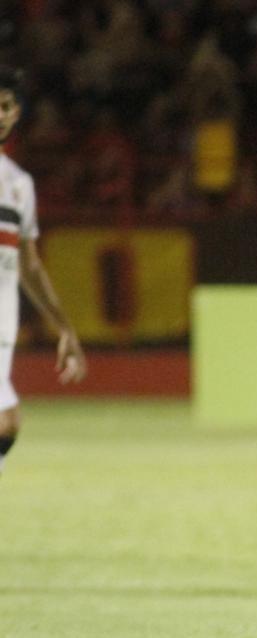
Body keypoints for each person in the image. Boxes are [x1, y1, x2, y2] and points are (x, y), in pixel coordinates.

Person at [0, 67, 87, 476]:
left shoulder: (18, 184)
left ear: (17, 113)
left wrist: (64, 328)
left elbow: (29, 264)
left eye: (6, 106)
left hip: (2, 328)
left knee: (6, 425)